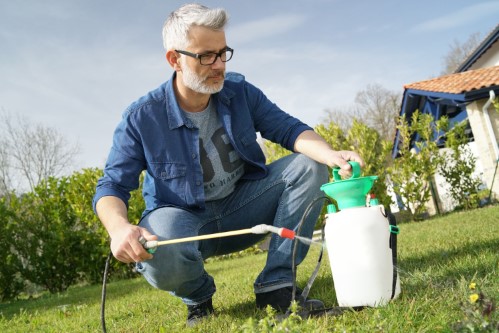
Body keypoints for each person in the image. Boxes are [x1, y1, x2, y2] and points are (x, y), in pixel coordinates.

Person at [93, 3, 364, 326]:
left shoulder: (240, 93)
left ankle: (276, 285)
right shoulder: (142, 117)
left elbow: (290, 129)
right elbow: (112, 186)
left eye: (223, 53)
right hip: (185, 225)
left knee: (311, 165)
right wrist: (118, 228)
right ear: (174, 59)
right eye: (206, 56)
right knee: (158, 244)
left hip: (244, 207)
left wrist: (330, 154)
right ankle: (198, 296)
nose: (219, 65)